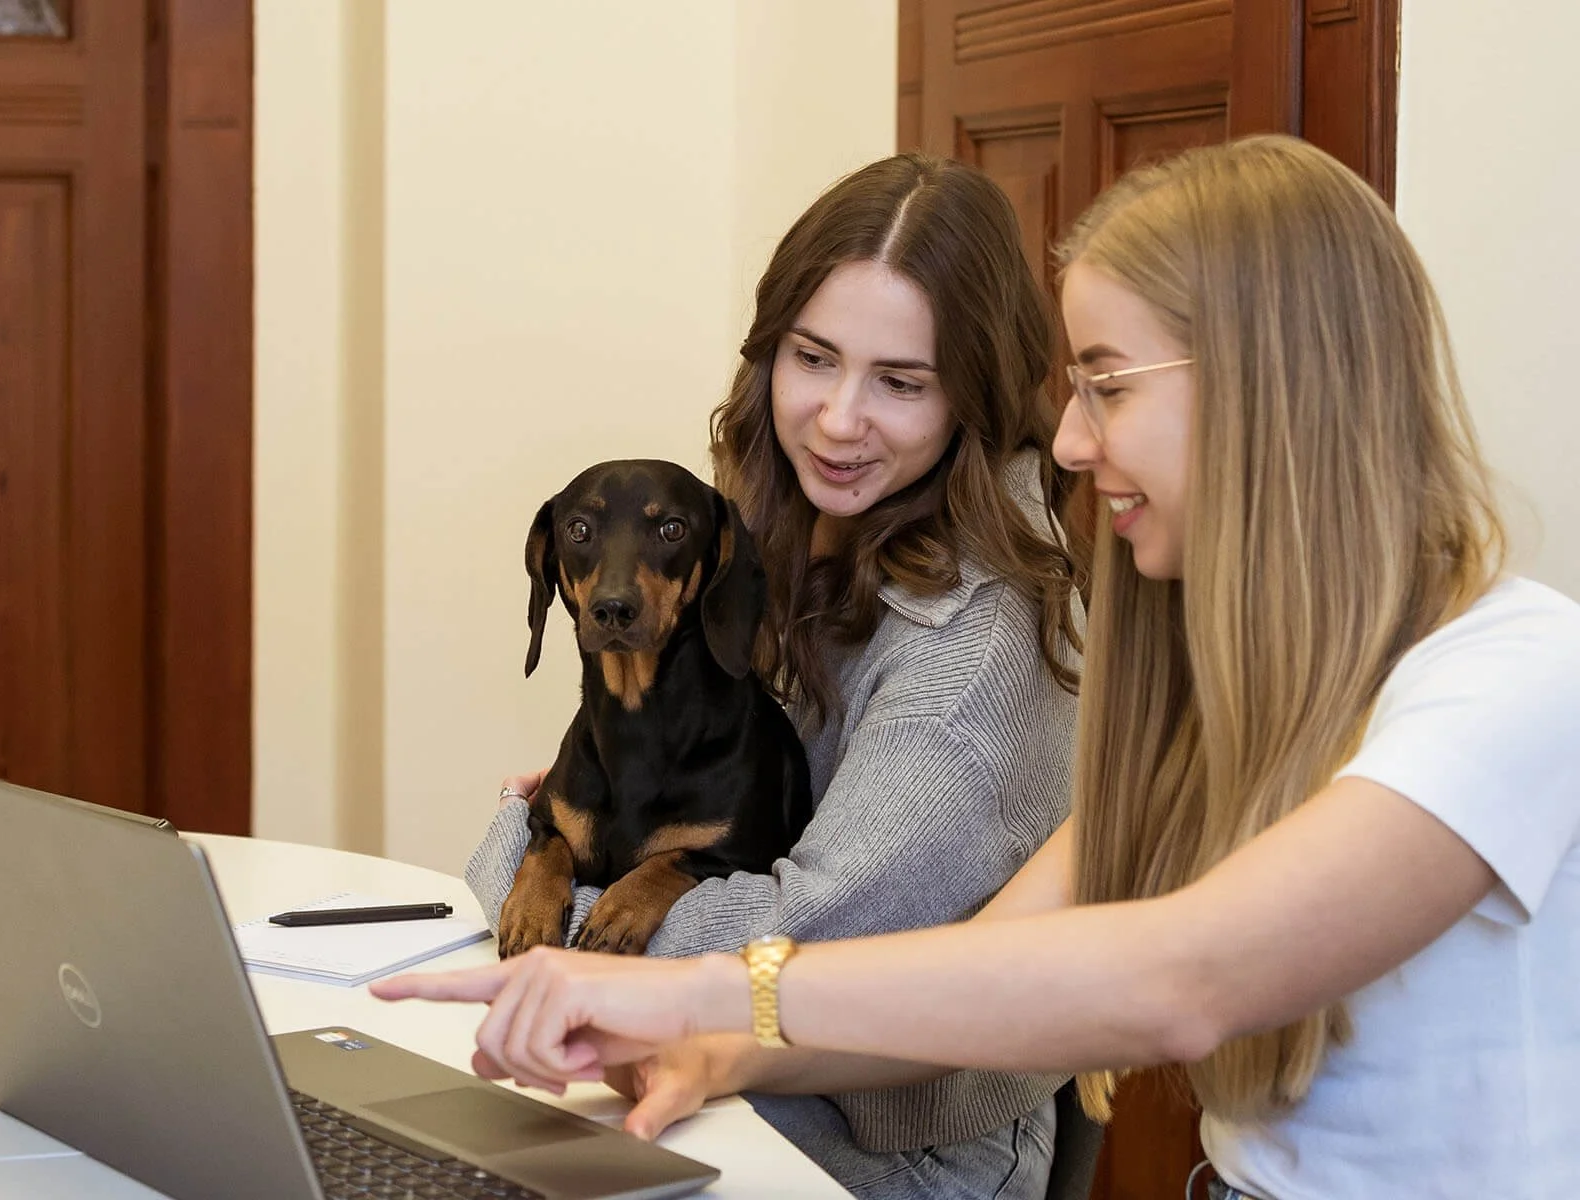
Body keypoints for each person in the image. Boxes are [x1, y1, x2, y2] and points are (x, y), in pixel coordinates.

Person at [376, 134, 1580, 1200]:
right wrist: (724, 1043)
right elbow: (991, 972)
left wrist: (689, 991)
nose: (1062, 438)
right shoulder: (1232, 702)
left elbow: (1181, 979)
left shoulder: (1515, 677)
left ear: (1276, 391)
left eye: (1106, 386)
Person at [452, 153, 1085, 1199]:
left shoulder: (968, 663)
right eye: (813, 357)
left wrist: (531, 863)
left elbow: (794, 956)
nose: (837, 419)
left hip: (888, 1155)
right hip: (725, 1073)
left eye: (900, 381)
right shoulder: (798, 527)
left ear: (973, 395)